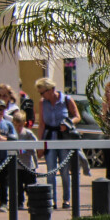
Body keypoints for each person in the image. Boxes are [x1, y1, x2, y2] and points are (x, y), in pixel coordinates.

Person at [34, 76, 82, 208]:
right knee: (51, 170)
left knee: (65, 171)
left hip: (64, 137)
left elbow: (77, 116)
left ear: (51, 89)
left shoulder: (66, 99)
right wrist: (40, 144)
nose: (42, 95)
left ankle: (66, 199)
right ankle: (52, 199)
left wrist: (68, 123)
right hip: (50, 138)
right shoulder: (43, 102)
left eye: (43, 92)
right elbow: (42, 124)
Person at [12, 109, 38, 208]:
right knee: (18, 186)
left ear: (24, 123)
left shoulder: (28, 133)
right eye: (16, 125)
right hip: (17, 166)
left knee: (30, 185)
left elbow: (34, 147)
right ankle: (19, 202)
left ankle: (31, 201)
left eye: (20, 125)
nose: (18, 128)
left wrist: (36, 163)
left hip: (28, 165)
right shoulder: (13, 134)